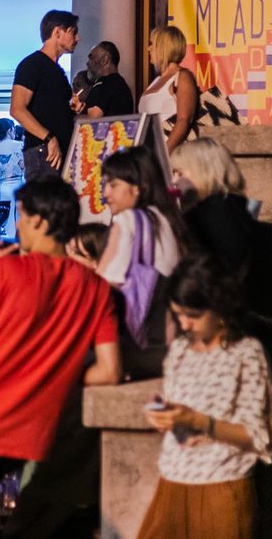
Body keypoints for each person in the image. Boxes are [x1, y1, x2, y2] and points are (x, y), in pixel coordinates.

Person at [0, 176, 121, 539]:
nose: (17, 224)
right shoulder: (96, 288)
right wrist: (56, 372)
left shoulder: (5, 270)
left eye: (21, 215)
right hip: (34, 432)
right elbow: (110, 370)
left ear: (38, 220)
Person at [139, 255, 272, 539]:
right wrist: (165, 416)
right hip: (172, 482)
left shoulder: (246, 354)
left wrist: (200, 421)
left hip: (221, 487)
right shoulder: (180, 350)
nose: (185, 324)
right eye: (178, 315)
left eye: (193, 315)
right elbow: (178, 411)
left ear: (219, 306)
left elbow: (258, 437)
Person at [97, 147, 187, 379]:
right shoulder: (169, 220)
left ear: (137, 187)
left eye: (113, 185)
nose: (106, 193)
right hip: (168, 343)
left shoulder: (128, 220)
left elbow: (103, 284)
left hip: (135, 347)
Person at [171, 138, 272, 321]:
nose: (175, 180)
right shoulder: (231, 207)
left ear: (202, 171)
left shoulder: (216, 211)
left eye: (180, 172)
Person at [10, 10, 79, 181]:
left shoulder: (57, 71)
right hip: (43, 153)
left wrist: (72, 109)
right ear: (57, 32)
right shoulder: (32, 64)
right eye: (73, 32)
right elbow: (17, 109)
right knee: (44, 198)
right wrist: (49, 138)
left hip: (58, 152)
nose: (77, 38)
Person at [140, 26, 199, 152]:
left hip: (170, 153)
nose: (149, 49)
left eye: (152, 44)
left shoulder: (182, 77)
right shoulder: (156, 81)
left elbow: (184, 120)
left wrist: (164, 153)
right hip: (148, 152)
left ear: (164, 47)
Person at [0, 118, 25, 240]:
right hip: (20, 187)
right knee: (19, 223)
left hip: (1, 188)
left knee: (3, 224)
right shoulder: (21, 145)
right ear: (10, 130)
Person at [74, 41, 134, 118]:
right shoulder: (122, 85)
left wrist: (70, 116)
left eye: (91, 58)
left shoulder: (103, 85)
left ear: (104, 60)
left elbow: (92, 120)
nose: (87, 63)